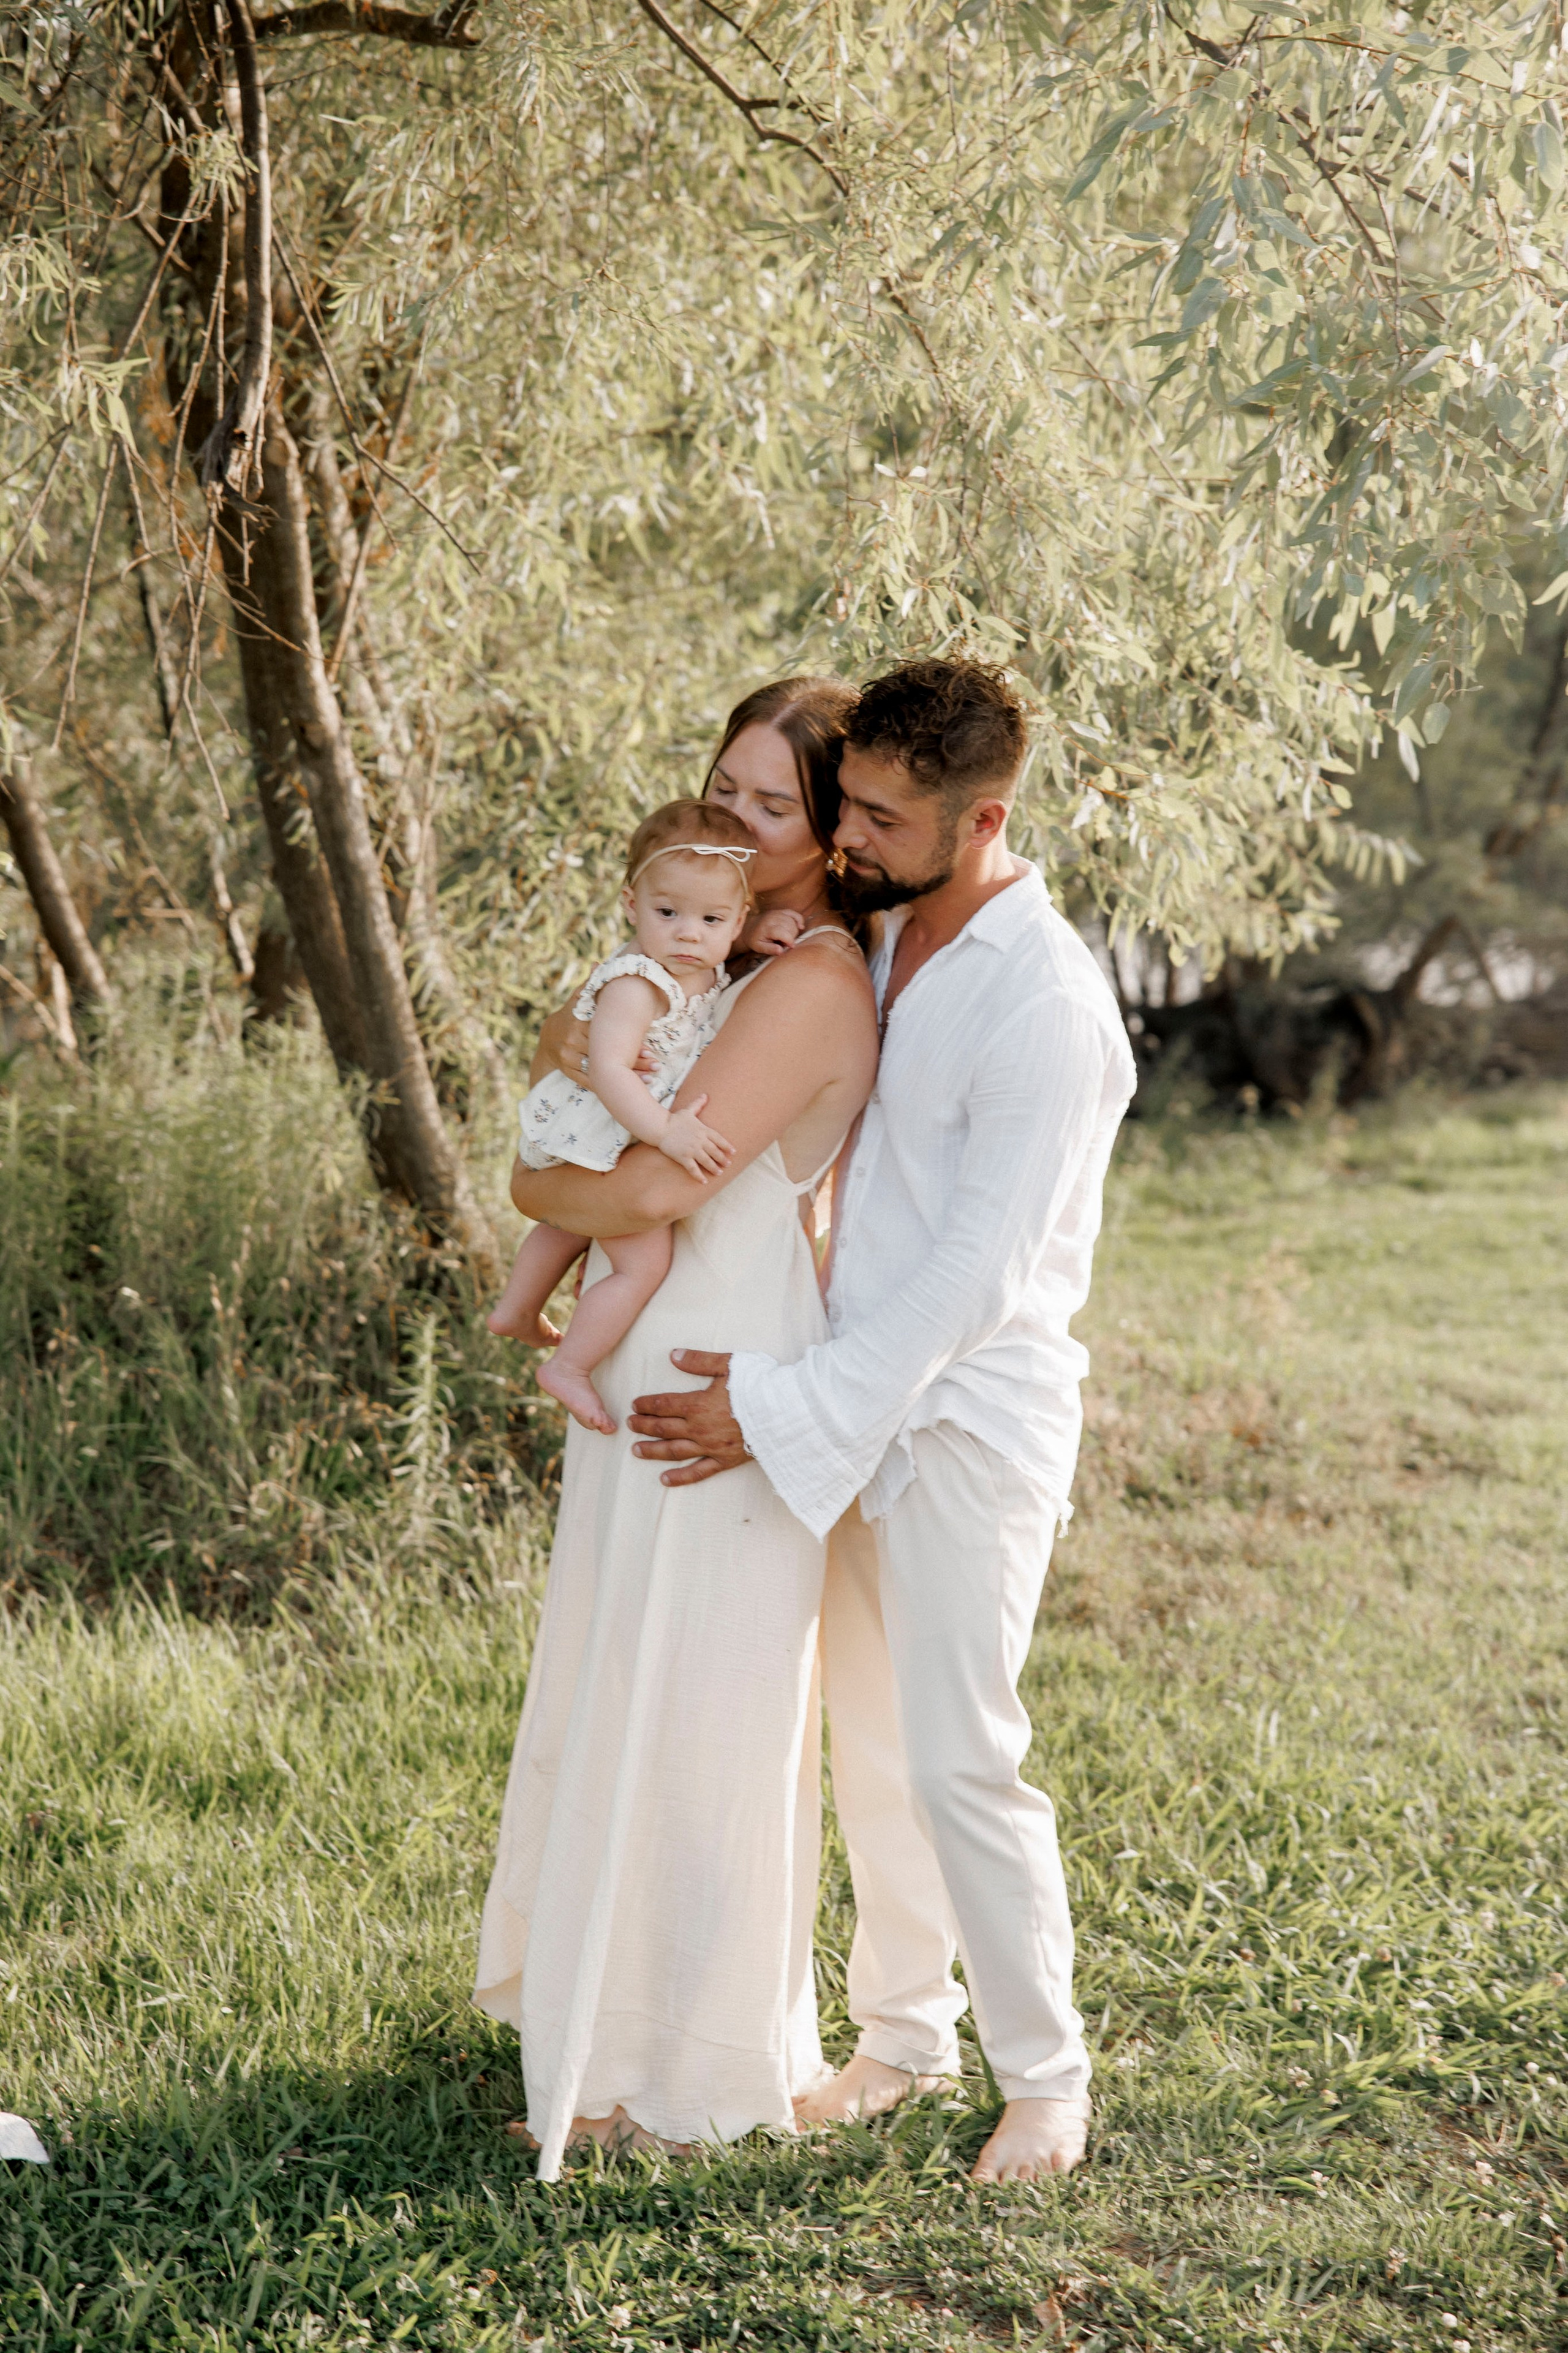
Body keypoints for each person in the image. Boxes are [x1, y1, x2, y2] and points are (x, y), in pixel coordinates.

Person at [625, 659, 1137, 2185]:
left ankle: (1045, 2078)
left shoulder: (1047, 1006)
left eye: (881, 813)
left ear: (983, 819)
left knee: (961, 1752)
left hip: (963, 1420)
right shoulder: (888, 926)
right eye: (843, 800)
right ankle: (901, 2036)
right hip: (844, 1389)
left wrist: (774, 1406)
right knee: (866, 1738)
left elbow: (972, 1282)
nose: (846, 830)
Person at [475, 678, 876, 2178]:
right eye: (729, 788)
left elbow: (645, 1188)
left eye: (777, 805)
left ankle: (670, 2057)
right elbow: (561, 1055)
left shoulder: (807, 979)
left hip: (716, 1366)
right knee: (622, 1670)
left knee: (698, 1700)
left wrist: (529, 1198)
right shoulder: (710, 956)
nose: (743, 823)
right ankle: (600, 2022)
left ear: (834, 826)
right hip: (649, 1350)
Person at [487, 799, 800, 1435]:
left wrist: (752, 934)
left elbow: (708, 928)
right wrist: (664, 1133)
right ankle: (569, 1364)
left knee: (567, 1222)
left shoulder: (698, 951)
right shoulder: (636, 982)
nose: (689, 934)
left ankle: (516, 1309)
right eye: (668, 913)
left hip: (617, 1127)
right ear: (632, 904)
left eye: (712, 919)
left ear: (737, 915)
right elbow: (607, 1069)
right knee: (642, 1262)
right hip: (615, 1121)